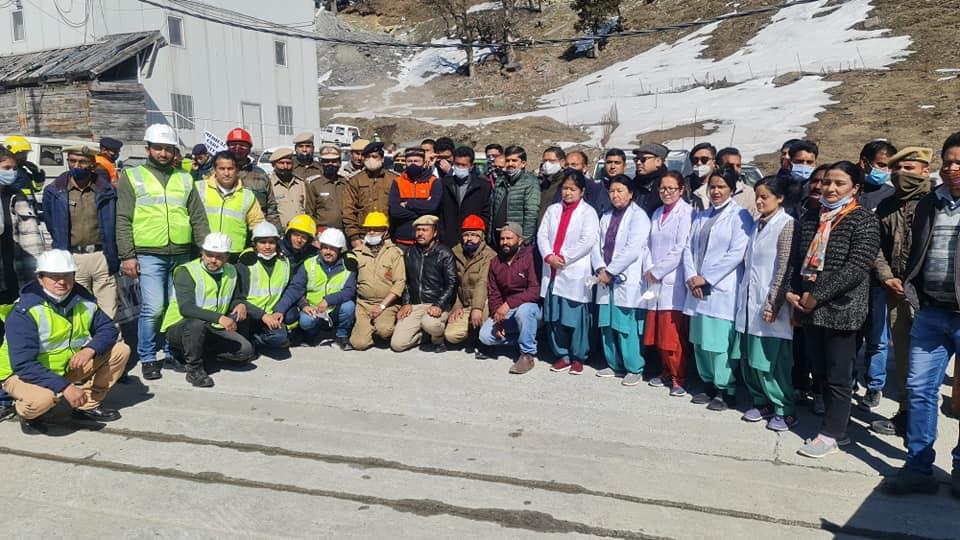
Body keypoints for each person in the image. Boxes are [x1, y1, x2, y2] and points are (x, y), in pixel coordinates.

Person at [881, 133, 960, 497]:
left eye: (959, 162)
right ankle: (918, 467)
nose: (953, 169)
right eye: (948, 163)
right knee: (918, 389)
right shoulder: (931, 203)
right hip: (931, 312)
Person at [788, 161, 880, 458]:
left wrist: (817, 295)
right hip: (810, 307)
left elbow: (856, 267)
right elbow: (800, 258)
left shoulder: (863, 219)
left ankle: (831, 433)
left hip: (842, 308)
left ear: (855, 188)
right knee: (820, 372)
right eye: (827, 182)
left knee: (839, 374)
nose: (830, 188)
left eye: (839, 183)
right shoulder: (814, 215)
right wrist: (795, 292)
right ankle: (835, 425)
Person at [116, 124, 210, 381]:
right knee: (154, 307)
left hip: (181, 252)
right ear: (148, 148)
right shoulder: (133, 176)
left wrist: (206, 250)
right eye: (158, 148)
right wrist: (127, 255)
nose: (163, 153)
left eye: (168, 149)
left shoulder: (185, 178)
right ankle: (147, 356)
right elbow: (123, 217)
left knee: (176, 307)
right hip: (149, 254)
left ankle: (170, 352)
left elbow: (198, 217)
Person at [0, 250, 129, 433]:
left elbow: (108, 329)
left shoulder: (82, 298)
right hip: (20, 374)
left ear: (74, 276)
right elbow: (23, 365)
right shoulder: (24, 311)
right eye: (54, 276)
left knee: (120, 350)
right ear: (40, 278)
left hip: (64, 366)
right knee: (41, 400)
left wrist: (89, 349)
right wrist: (66, 387)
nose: (61, 281)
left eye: (66, 275)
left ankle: (86, 405)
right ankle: (28, 414)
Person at [871, 147, 933, 437]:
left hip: (932, 299)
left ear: (924, 170)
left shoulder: (938, 203)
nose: (901, 175)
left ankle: (923, 424)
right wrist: (886, 277)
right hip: (897, 294)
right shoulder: (886, 206)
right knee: (906, 360)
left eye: (909, 168)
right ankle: (906, 415)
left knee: (927, 366)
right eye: (896, 169)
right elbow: (877, 249)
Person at [683, 167, 753, 411]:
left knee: (719, 343)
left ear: (732, 189)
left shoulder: (740, 216)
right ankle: (708, 383)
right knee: (700, 341)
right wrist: (692, 276)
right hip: (697, 289)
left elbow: (736, 253)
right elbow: (688, 248)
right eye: (712, 186)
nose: (715, 191)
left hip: (721, 289)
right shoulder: (701, 215)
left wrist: (706, 278)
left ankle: (726, 389)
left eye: (721, 187)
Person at [735, 176, 797, 432]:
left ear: (780, 199)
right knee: (750, 358)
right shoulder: (757, 224)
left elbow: (784, 267)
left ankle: (784, 408)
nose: (759, 201)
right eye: (757, 196)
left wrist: (774, 303)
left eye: (765, 197)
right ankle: (762, 402)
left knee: (771, 361)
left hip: (770, 306)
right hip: (748, 303)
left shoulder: (786, 224)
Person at [160, 233, 255, 388]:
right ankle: (194, 369)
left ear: (227, 257)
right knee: (196, 323)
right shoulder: (186, 271)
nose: (213, 260)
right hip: (181, 328)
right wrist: (219, 318)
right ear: (202, 252)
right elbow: (186, 308)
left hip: (212, 328)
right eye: (209, 255)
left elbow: (234, 297)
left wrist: (240, 304)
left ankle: (197, 354)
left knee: (245, 351)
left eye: (219, 257)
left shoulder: (231, 271)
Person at [42, 145, 120, 318]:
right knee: (79, 313)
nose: (77, 166)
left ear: (92, 164)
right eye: (72, 161)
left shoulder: (106, 190)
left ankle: (113, 344)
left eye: (82, 161)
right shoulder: (54, 191)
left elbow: (115, 222)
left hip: (102, 256)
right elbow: (51, 223)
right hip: (72, 258)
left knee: (109, 312)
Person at [538, 170, 600, 375]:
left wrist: (563, 257)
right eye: (565, 188)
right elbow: (542, 235)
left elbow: (588, 240)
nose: (568, 193)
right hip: (552, 270)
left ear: (582, 191)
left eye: (572, 189)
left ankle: (578, 357)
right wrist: (548, 256)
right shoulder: (552, 210)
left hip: (573, 270)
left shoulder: (588, 212)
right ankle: (562, 355)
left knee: (574, 317)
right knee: (554, 316)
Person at [592, 175, 651, 386]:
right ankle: (613, 363)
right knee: (606, 324)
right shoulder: (606, 215)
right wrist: (600, 267)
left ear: (631, 193)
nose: (615, 195)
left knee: (625, 325)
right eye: (612, 191)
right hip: (605, 277)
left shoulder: (639, 217)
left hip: (626, 279)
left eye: (620, 191)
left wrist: (611, 271)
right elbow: (595, 245)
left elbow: (632, 249)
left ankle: (634, 367)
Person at [644, 171, 694, 397]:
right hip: (654, 280)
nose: (666, 192)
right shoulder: (656, 213)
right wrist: (649, 268)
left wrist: (657, 271)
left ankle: (678, 377)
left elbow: (681, 248)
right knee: (658, 332)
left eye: (671, 188)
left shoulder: (687, 213)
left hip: (673, 282)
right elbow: (648, 244)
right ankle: (665, 370)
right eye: (662, 188)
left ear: (681, 190)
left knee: (672, 334)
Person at [477, 222, 542, 373]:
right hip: (509, 310)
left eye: (509, 238)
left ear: (519, 240)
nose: (505, 242)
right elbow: (494, 293)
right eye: (502, 239)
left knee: (524, 311)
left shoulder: (531, 257)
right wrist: (497, 318)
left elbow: (535, 291)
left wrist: (508, 304)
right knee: (485, 336)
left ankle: (527, 354)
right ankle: (525, 339)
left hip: (533, 308)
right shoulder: (495, 262)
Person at [238, 222, 305, 358]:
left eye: (271, 242)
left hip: (270, 313)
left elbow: (290, 287)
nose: (267, 246)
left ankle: (256, 340)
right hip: (249, 314)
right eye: (262, 242)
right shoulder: (247, 263)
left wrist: (282, 309)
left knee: (281, 338)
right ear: (255, 244)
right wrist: (262, 315)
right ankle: (247, 340)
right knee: (244, 353)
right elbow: (238, 298)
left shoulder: (283, 262)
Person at [391, 215, 457, 353]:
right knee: (397, 345)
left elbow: (451, 283)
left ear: (434, 233)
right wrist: (406, 302)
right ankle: (425, 336)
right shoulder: (409, 252)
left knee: (430, 324)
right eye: (418, 230)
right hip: (415, 305)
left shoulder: (444, 253)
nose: (420, 233)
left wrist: (439, 304)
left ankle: (438, 337)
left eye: (425, 230)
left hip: (436, 304)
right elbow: (406, 280)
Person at [349, 211, 406, 351]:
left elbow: (399, 283)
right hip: (364, 304)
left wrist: (381, 306)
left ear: (385, 231)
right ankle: (367, 330)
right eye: (368, 229)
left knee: (385, 330)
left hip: (387, 304)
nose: (371, 232)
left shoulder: (394, 253)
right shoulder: (357, 253)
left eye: (376, 229)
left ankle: (381, 328)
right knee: (359, 344)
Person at [199, 151, 265, 259]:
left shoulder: (247, 195)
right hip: (205, 252)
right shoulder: (199, 188)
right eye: (222, 169)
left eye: (230, 169)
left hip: (233, 253)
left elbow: (258, 223)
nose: (226, 173)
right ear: (215, 170)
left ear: (237, 170)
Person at [4, 139, 52, 286]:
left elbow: (36, 188)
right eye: (22, 154)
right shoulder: (12, 172)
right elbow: (13, 185)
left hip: (29, 210)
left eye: (25, 153)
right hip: (16, 213)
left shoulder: (24, 171)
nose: (25, 157)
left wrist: (38, 175)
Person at [299, 228, 356, 350]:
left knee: (349, 306)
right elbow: (297, 288)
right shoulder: (309, 264)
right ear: (320, 248)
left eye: (333, 249)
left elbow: (349, 290)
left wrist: (328, 300)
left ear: (340, 250)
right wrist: (304, 305)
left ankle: (342, 335)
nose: (328, 252)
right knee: (305, 321)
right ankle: (313, 334)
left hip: (335, 308)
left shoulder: (348, 266)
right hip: (313, 309)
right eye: (325, 247)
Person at [445, 215, 496, 348]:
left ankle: (483, 340)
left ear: (481, 237)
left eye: (474, 235)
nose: (469, 238)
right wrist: (456, 306)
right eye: (466, 234)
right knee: (451, 336)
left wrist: (477, 308)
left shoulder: (490, 255)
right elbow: (453, 283)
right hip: (464, 304)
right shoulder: (454, 253)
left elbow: (483, 282)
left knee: (484, 311)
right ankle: (472, 331)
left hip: (483, 303)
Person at [343, 142, 398, 248]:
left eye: (374, 156)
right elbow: (348, 210)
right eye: (367, 157)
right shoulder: (355, 180)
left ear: (382, 159)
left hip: (388, 237)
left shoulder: (393, 179)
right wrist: (354, 237)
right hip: (363, 237)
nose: (371, 160)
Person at [225, 128, 280, 228]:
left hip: (257, 234)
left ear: (249, 149)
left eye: (242, 145)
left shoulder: (261, 175)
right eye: (233, 144)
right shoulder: (216, 173)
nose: (237, 148)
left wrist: (275, 234)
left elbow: (271, 208)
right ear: (227, 147)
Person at [440, 146, 492, 248]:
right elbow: (440, 212)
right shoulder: (445, 184)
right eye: (457, 164)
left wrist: (477, 233)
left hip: (472, 239)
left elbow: (486, 213)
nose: (460, 168)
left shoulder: (482, 186)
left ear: (471, 166)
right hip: (448, 239)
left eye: (463, 165)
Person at [389, 148, 441, 246]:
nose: (413, 164)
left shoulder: (434, 182)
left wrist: (408, 204)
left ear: (424, 163)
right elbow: (395, 211)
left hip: (427, 240)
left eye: (416, 161)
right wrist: (423, 212)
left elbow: (433, 207)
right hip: (403, 239)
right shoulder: (398, 182)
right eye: (409, 161)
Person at [490, 145, 540, 244]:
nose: (510, 164)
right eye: (507, 161)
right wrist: (490, 236)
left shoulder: (530, 182)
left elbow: (531, 214)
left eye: (514, 160)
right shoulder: (501, 180)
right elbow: (493, 210)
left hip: (516, 240)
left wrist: (524, 240)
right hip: (498, 238)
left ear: (523, 163)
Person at [306, 145, 349, 230]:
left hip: (345, 231)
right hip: (323, 232)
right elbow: (309, 213)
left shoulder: (346, 182)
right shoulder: (314, 184)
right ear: (321, 163)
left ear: (340, 162)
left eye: (334, 161)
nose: (330, 164)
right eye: (326, 161)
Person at [269, 148, 307, 229]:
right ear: (273, 165)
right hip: (279, 232)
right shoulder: (269, 184)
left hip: (301, 231)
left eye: (288, 163)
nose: (285, 166)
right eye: (281, 163)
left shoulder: (300, 183)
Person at [0, 146, 19, 305]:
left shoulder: (16, 196)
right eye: (6, 168)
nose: (12, 173)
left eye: (14, 168)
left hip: (15, 273)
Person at [857, 140, 898, 212]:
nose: (887, 171)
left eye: (891, 167)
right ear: (864, 163)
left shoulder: (891, 195)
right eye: (881, 165)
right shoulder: (842, 186)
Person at [716, 147, 757, 216]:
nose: (735, 169)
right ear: (717, 167)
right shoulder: (705, 193)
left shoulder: (750, 194)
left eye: (738, 166)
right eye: (729, 166)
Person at [632, 143, 669, 216]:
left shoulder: (668, 184)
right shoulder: (634, 183)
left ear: (658, 161)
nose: (638, 163)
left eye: (643, 159)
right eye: (636, 159)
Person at [684, 143, 716, 211]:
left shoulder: (721, 185)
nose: (699, 163)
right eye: (695, 160)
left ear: (713, 163)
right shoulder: (684, 185)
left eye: (704, 159)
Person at [538, 146, 567, 218]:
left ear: (562, 162)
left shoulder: (565, 183)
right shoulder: (543, 183)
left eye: (551, 161)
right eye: (545, 161)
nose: (547, 164)